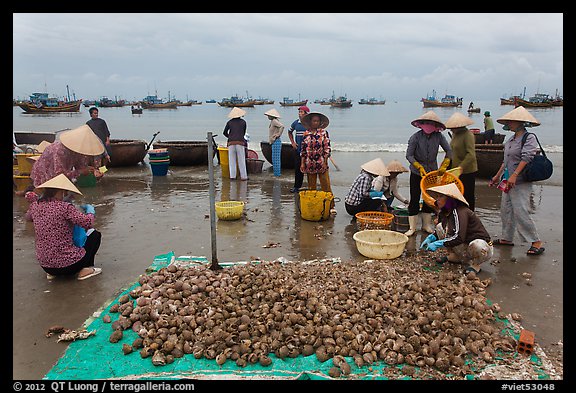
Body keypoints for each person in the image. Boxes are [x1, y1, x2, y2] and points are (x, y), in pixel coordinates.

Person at [489, 106, 545, 256]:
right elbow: (505, 161)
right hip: (507, 181)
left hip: (520, 181)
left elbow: (526, 158)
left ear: (520, 122)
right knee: (506, 210)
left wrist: (515, 175)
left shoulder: (529, 138)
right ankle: (507, 238)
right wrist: (497, 176)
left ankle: (536, 242)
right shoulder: (511, 139)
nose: (509, 123)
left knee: (521, 211)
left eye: (512, 121)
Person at [24, 173, 102, 280]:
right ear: (60, 191)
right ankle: (84, 269)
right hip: (70, 265)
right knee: (94, 235)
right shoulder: (65, 207)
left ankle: (54, 274)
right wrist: (90, 211)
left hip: (46, 266)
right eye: (64, 192)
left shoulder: (35, 206)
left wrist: (35, 201)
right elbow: (88, 223)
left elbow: (28, 217)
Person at [419, 183, 493, 274]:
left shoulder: (461, 212)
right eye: (437, 196)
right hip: (465, 243)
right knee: (439, 227)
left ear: (450, 199)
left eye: (441, 196)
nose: (437, 199)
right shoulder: (445, 212)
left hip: (483, 247)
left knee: (477, 245)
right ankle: (456, 256)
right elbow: (445, 229)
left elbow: (459, 237)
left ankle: (476, 265)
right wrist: (432, 237)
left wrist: (438, 244)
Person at [405, 110, 452, 236]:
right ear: (421, 124)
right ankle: (412, 227)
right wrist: (418, 166)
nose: (428, 125)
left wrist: (445, 164)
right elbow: (409, 155)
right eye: (426, 123)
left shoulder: (439, 137)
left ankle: (426, 225)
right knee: (414, 197)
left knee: (429, 198)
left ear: (436, 125)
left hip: (432, 173)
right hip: (416, 173)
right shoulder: (415, 137)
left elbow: (449, 150)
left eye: (431, 123)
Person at [30, 124, 106, 189]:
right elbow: (59, 175)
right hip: (45, 173)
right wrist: (81, 172)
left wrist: (93, 173)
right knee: (46, 199)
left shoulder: (80, 152)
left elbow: (81, 167)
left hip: (60, 175)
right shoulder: (59, 150)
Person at [300, 112, 336, 213]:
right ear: (310, 122)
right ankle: (314, 206)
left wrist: (325, 162)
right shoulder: (306, 134)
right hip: (309, 163)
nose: (316, 123)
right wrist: (302, 163)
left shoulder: (324, 133)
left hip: (321, 163)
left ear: (320, 123)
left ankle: (331, 206)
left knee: (326, 185)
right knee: (311, 187)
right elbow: (303, 151)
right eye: (314, 121)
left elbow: (327, 148)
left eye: (317, 121)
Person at [445, 112, 478, 211]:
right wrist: (446, 165)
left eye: (452, 127)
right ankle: (456, 216)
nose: (451, 129)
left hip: (467, 171)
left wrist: (461, 167)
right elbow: (452, 151)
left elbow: (471, 154)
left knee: (467, 197)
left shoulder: (468, 135)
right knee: (455, 195)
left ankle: (469, 216)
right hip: (455, 171)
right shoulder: (455, 135)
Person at [287, 105, 310, 192]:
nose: (300, 114)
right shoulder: (296, 123)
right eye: (299, 112)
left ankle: (311, 186)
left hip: (308, 150)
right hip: (298, 149)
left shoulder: (309, 124)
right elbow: (289, 132)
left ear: (306, 114)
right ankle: (297, 187)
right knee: (298, 169)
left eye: (301, 112)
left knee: (309, 169)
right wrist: (293, 142)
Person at [223, 106, 248, 181]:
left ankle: (232, 177)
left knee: (232, 161)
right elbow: (243, 132)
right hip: (240, 142)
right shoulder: (243, 122)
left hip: (231, 143)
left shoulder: (229, 122)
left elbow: (224, 132)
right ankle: (244, 177)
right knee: (241, 160)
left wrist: (230, 137)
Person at [264, 108, 285, 177]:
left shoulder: (274, 121)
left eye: (268, 115)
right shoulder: (273, 121)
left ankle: (277, 174)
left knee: (276, 159)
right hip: (275, 142)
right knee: (275, 159)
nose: (268, 116)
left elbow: (282, 126)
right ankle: (277, 173)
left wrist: (278, 134)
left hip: (276, 141)